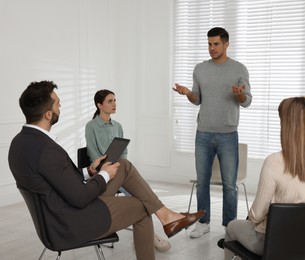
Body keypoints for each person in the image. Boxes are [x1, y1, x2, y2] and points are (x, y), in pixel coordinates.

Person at [8, 81, 205, 260]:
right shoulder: (47, 150)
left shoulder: (20, 142)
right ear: (48, 114)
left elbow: (60, 179)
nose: (61, 107)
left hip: (59, 214)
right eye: (57, 104)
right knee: (141, 206)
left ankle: (166, 215)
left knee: (123, 164)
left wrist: (90, 171)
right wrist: (104, 175)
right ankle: (167, 217)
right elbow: (79, 197)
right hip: (71, 222)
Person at [223, 97, 305, 258]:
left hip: (275, 243)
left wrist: (258, 217)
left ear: (288, 126)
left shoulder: (275, 162)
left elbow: (256, 215)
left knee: (232, 226)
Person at [172, 27, 252, 238]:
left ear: (226, 44)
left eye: (216, 44)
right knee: (202, 182)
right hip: (203, 134)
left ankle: (229, 226)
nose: (212, 48)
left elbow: (247, 101)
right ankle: (204, 222)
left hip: (228, 134)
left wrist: (240, 95)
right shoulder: (200, 69)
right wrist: (188, 93)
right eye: (209, 44)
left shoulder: (239, 69)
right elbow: (197, 99)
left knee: (229, 185)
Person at [85, 89, 171, 252]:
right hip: (102, 173)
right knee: (139, 193)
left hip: (119, 169)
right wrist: (108, 167)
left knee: (136, 189)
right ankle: (153, 232)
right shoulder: (91, 126)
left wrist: (119, 166)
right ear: (99, 105)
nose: (114, 104)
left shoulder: (118, 126)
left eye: (115, 100)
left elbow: (123, 153)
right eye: (110, 101)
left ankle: (151, 233)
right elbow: (93, 154)